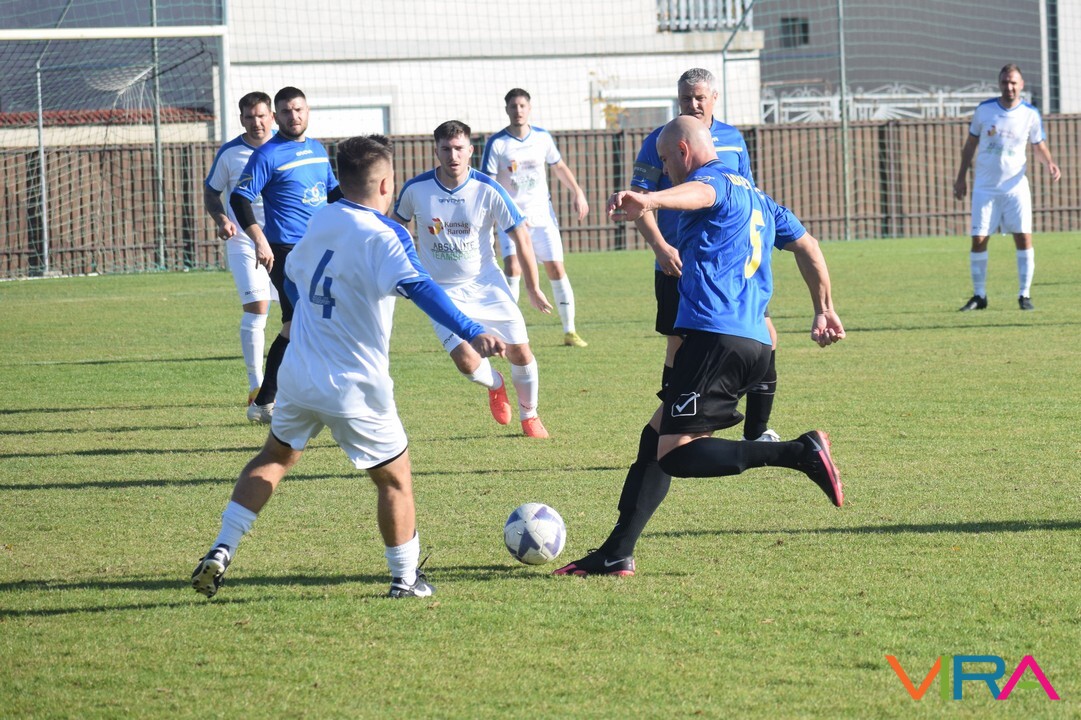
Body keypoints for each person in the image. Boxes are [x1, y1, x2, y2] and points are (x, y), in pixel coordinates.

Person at [192, 135, 506, 600]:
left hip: (300, 374)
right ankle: (405, 580)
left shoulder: (321, 218)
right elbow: (420, 288)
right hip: (355, 385)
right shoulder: (387, 235)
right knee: (395, 479)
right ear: (385, 185)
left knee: (274, 457)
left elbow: (293, 279)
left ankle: (222, 548)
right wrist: (471, 329)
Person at [554, 117, 845, 578]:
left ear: (684, 151)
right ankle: (616, 552)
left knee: (675, 453)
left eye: (665, 160)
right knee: (655, 439)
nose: (665, 170)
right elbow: (808, 246)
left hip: (714, 338)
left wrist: (651, 199)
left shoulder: (713, 182)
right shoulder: (761, 199)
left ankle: (797, 452)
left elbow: (700, 193)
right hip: (753, 343)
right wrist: (824, 308)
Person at [631, 68, 780, 443]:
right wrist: (660, 247)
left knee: (766, 333)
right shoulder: (660, 140)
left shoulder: (733, 140)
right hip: (677, 262)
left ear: (714, 98)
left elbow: (747, 194)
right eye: (686, 98)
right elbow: (640, 201)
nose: (693, 104)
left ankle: (757, 431)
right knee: (678, 344)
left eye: (699, 97)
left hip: (732, 264)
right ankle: (674, 424)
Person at [393, 120, 554, 439]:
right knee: (467, 363)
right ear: (436, 151)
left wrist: (533, 287)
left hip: (487, 284)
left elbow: (521, 235)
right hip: (439, 292)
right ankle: (496, 384)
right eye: (446, 149)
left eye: (458, 149)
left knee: (520, 352)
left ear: (470, 151)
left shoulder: (487, 189)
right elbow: (394, 229)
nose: (452, 155)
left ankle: (530, 415)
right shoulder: (416, 189)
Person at [230, 86, 341, 423]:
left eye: (298, 109)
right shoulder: (268, 155)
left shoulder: (318, 149)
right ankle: (299, 398)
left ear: (307, 111)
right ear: (276, 117)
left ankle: (265, 402)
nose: (294, 116)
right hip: (287, 251)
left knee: (298, 323)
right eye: (286, 111)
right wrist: (259, 240)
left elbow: (333, 194)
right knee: (305, 320)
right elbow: (239, 198)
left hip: (321, 249)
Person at [481, 88, 590, 347]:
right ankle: (507, 332)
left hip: (542, 216)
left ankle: (570, 331)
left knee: (556, 268)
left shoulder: (542, 137)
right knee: (513, 267)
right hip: (511, 219)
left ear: (529, 108)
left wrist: (577, 192)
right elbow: (489, 183)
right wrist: (505, 212)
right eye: (513, 106)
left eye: (522, 106)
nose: (518, 111)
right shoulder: (497, 143)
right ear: (506, 110)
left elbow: (559, 166)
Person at [953, 63, 1061, 312]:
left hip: (1015, 188)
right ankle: (979, 295)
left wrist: (1050, 163)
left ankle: (1024, 295)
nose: (1009, 87)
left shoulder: (1030, 114)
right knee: (979, 239)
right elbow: (970, 145)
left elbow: (1038, 144)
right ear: (999, 84)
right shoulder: (985, 110)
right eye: (1005, 82)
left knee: (1023, 237)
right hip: (985, 188)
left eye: (1013, 82)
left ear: (1021, 85)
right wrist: (961, 177)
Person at [203, 91, 277, 409]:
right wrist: (222, 219)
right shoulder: (231, 153)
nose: (256, 122)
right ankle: (256, 387)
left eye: (261, 115)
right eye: (249, 117)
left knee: (300, 314)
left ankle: (297, 386)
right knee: (257, 309)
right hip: (245, 242)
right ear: (242, 119)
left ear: (272, 116)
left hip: (285, 240)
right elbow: (211, 192)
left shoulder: (288, 147)